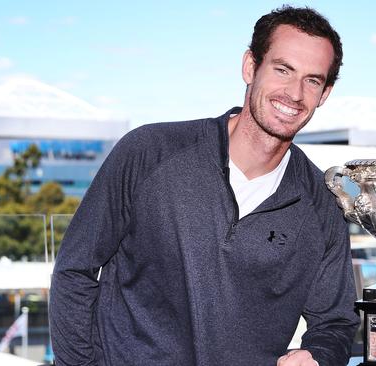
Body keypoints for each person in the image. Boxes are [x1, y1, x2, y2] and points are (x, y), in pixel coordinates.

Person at [49, 5, 359, 366]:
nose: (294, 93)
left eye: (312, 80)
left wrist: (317, 355)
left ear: (324, 94)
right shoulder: (149, 152)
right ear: (250, 67)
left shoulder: (321, 205)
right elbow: (75, 270)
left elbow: (335, 322)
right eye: (282, 70)